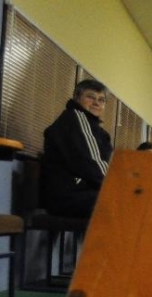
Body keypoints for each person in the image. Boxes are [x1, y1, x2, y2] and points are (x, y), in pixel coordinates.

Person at [40, 79, 113, 218]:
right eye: (90, 97)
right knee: (124, 201)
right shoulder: (76, 119)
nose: (96, 103)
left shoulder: (96, 130)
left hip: (78, 192)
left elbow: (109, 165)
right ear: (77, 98)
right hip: (67, 195)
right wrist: (118, 187)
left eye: (101, 100)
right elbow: (92, 164)